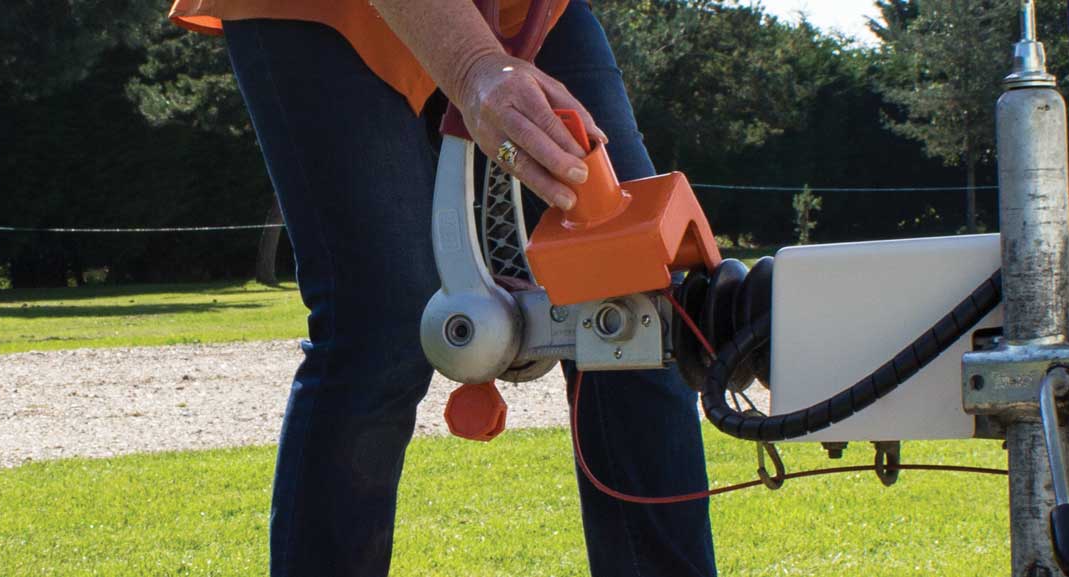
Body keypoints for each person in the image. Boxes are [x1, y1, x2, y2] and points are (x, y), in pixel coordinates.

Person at [164, 1, 718, 575]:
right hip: (324, 10)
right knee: (383, 327)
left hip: (525, 10)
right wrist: (474, 63)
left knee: (634, 296)